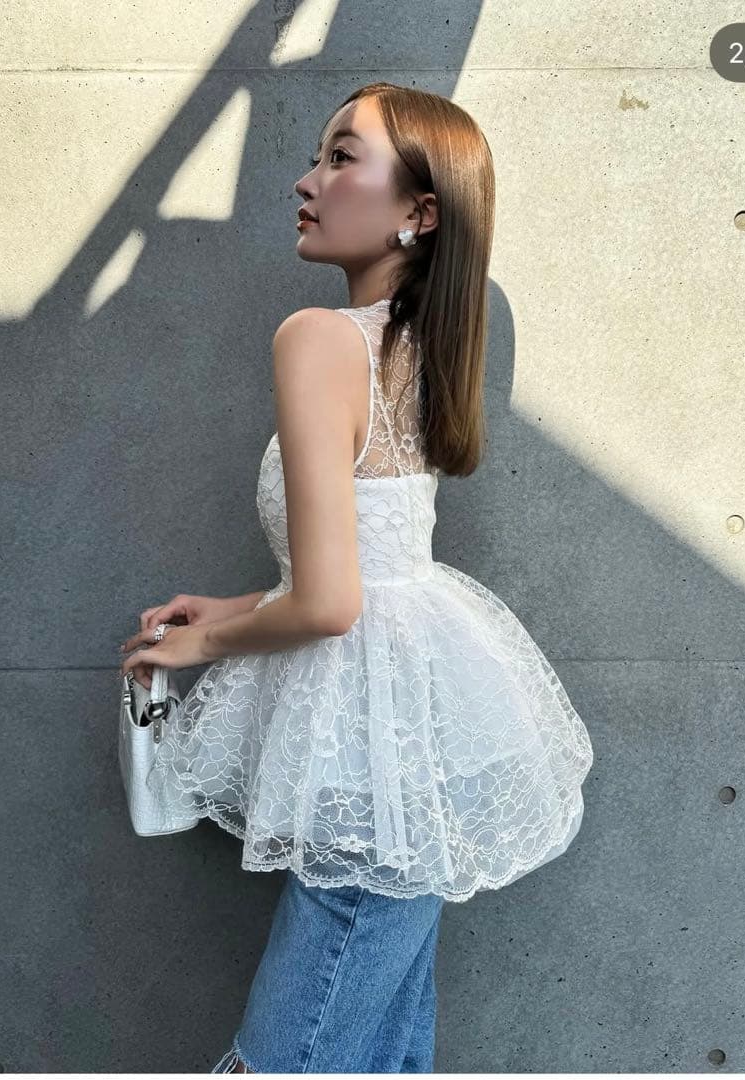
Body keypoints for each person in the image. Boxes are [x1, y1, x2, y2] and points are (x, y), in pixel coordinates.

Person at [120, 81, 594, 1074]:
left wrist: (202, 645)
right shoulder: (420, 349)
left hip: (368, 759)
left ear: (421, 211)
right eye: (318, 156)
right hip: (408, 752)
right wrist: (238, 606)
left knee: (294, 1057)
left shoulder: (319, 340)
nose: (306, 181)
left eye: (341, 158)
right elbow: (375, 565)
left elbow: (333, 603)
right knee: (385, 1054)